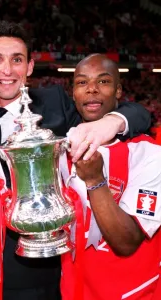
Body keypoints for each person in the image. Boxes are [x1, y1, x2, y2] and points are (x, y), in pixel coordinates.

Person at [0, 21, 151, 300]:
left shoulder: (53, 105)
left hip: (34, 273)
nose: (7, 70)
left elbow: (138, 113)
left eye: (17, 60)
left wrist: (113, 122)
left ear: (30, 67)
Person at [60, 54, 161, 300]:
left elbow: (127, 241)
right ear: (73, 93)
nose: (92, 89)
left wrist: (95, 180)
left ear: (118, 91)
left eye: (103, 82)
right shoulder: (60, 150)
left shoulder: (149, 154)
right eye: (82, 83)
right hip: (73, 292)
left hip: (134, 293)